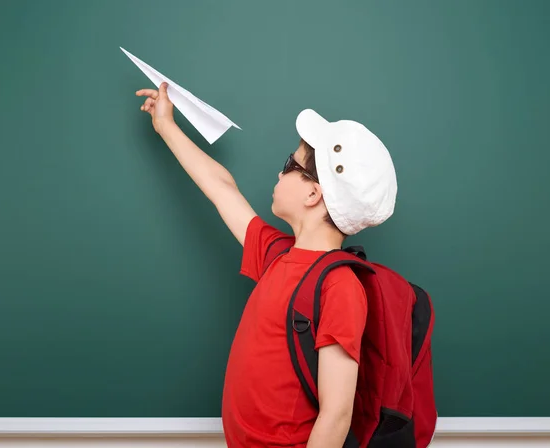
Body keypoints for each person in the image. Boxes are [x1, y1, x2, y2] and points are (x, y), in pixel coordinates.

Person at [135, 82, 397, 448]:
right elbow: (222, 188)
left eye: (289, 165)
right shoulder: (278, 256)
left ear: (313, 194)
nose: (279, 173)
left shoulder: (338, 287)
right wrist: (166, 126)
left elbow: (336, 415)